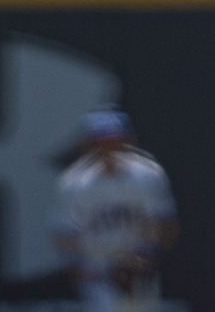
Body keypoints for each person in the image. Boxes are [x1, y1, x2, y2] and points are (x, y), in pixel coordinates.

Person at [51, 109, 179, 312]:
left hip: (137, 261)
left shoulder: (147, 175)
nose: (108, 148)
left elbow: (165, 223)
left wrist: (147, 257)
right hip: (98, 268)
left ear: (129, 142)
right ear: (88, 146)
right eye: (100, 142)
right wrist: (80, 268)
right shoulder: (75, 183)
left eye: (114, 141)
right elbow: (65, 233)